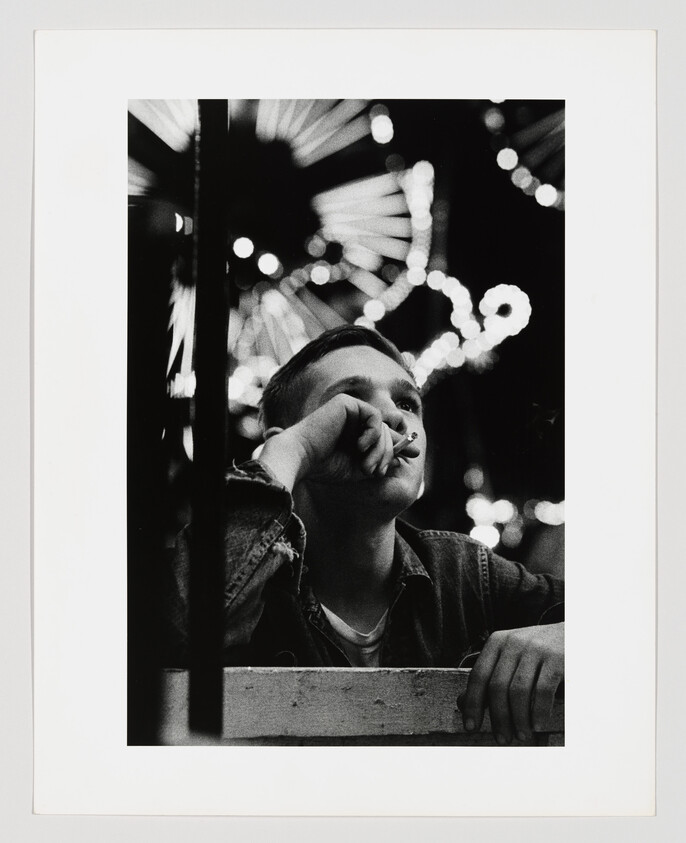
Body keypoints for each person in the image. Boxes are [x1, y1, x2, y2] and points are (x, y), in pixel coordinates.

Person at [167, 325, 564, 744]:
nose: (392, 416)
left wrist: (571, 634)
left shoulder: (468, 574)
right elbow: (177, 635)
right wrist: (289, 453)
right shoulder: (258, 579)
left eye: (407, 402)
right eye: (351, 401)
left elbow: (630, 625)